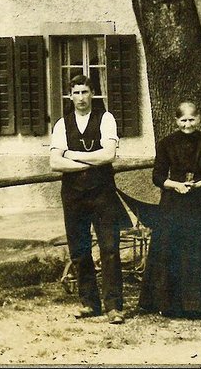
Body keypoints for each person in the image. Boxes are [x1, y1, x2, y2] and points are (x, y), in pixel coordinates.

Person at [138, 102, 201, 319]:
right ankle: (171, 304)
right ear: (176, 121)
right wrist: (175, 185)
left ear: (199, 119)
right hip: (173, 206)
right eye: (183, 120)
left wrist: (199, 184)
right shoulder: (166, 144)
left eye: (191, 120)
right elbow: (157, 176)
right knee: (172, 251)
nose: (187, 125)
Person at [50, 74, 128, 324]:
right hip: (73, 196)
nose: (81, 98)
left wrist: (72, 155)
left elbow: (109, 156)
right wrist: (89, 160)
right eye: (76, 93)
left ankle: (114, 306)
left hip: (102, 193)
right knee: (80, 250)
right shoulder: (62, 124)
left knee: (110, 249)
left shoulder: (106, 119)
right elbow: (54, 163)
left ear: (93, 93)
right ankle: (89, 303)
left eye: (85, 92)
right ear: (70, 95)